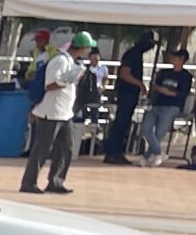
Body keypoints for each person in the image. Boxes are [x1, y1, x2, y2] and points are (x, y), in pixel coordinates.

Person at [21, 33, 87, 195]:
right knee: (41, 149)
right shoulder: (60, 61)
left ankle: (56, 181)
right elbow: (50, 84)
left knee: (65, 149)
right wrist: (69, 79)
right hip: (51, 112)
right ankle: (29, 183)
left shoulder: (70, 61)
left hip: (64, 113)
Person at [101, 30, 155, 164]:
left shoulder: (136, 53)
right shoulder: (134, 54)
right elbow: (125, 73)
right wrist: (140, 84)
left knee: (123, 123)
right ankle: (113, 152)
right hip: (127, 93)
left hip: (129, 93)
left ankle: (115, 151)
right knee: (121, 123)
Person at [141, 46, 189, 166]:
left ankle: (147, 156)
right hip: (157, 103)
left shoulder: (186, 76)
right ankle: (158, 153)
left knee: (159, 133)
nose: (173, 58)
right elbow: (155, 86)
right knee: (146, 129)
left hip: (172, 106)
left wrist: (167, 92)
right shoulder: (164, 73)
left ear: (182, 59)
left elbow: (181, 94)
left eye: (176, 57)